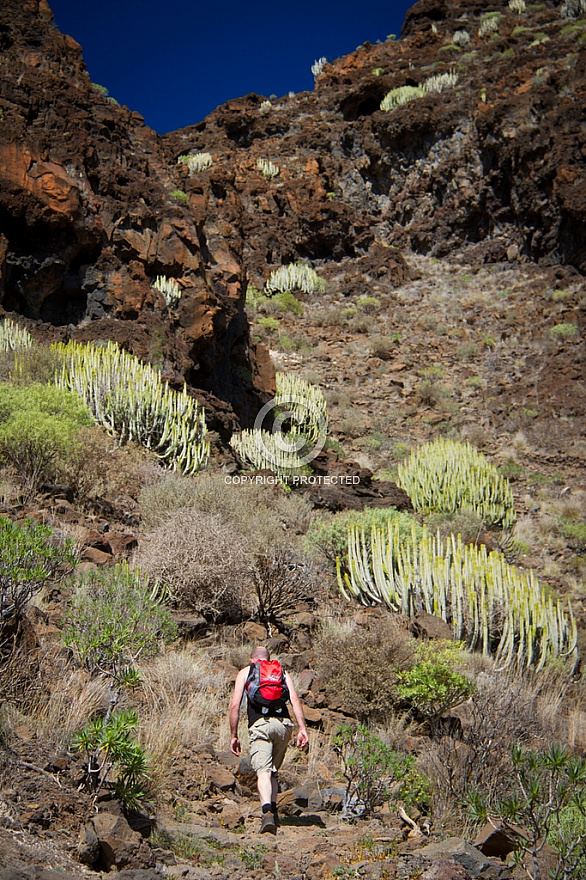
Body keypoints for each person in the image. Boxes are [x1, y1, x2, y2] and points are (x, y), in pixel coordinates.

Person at [229, 646, 309, 834]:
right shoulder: (281, 672)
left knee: (263, 771)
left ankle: (266, 814)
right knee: (273, 771)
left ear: (252, 659)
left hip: (260, 725)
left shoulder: (245, 672)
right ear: (268, 658)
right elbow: (295, 700)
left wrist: (234, 735)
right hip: (284, 726)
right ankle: (274, 811)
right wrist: (302, 728)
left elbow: (235, 705)